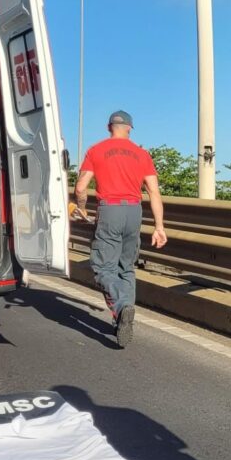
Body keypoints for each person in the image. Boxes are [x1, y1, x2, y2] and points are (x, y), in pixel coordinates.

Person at [74, 110, 167, 347]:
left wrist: (82, 209)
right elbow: (154, 192)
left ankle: (121, 306)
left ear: (108, 127)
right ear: (130, 129)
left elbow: (81, 188)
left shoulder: (96, 150)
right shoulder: (142, 154)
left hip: (110, 211)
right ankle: (122, 319)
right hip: (134, 212)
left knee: (103, 267)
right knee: (127, 267)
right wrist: (159, 226)